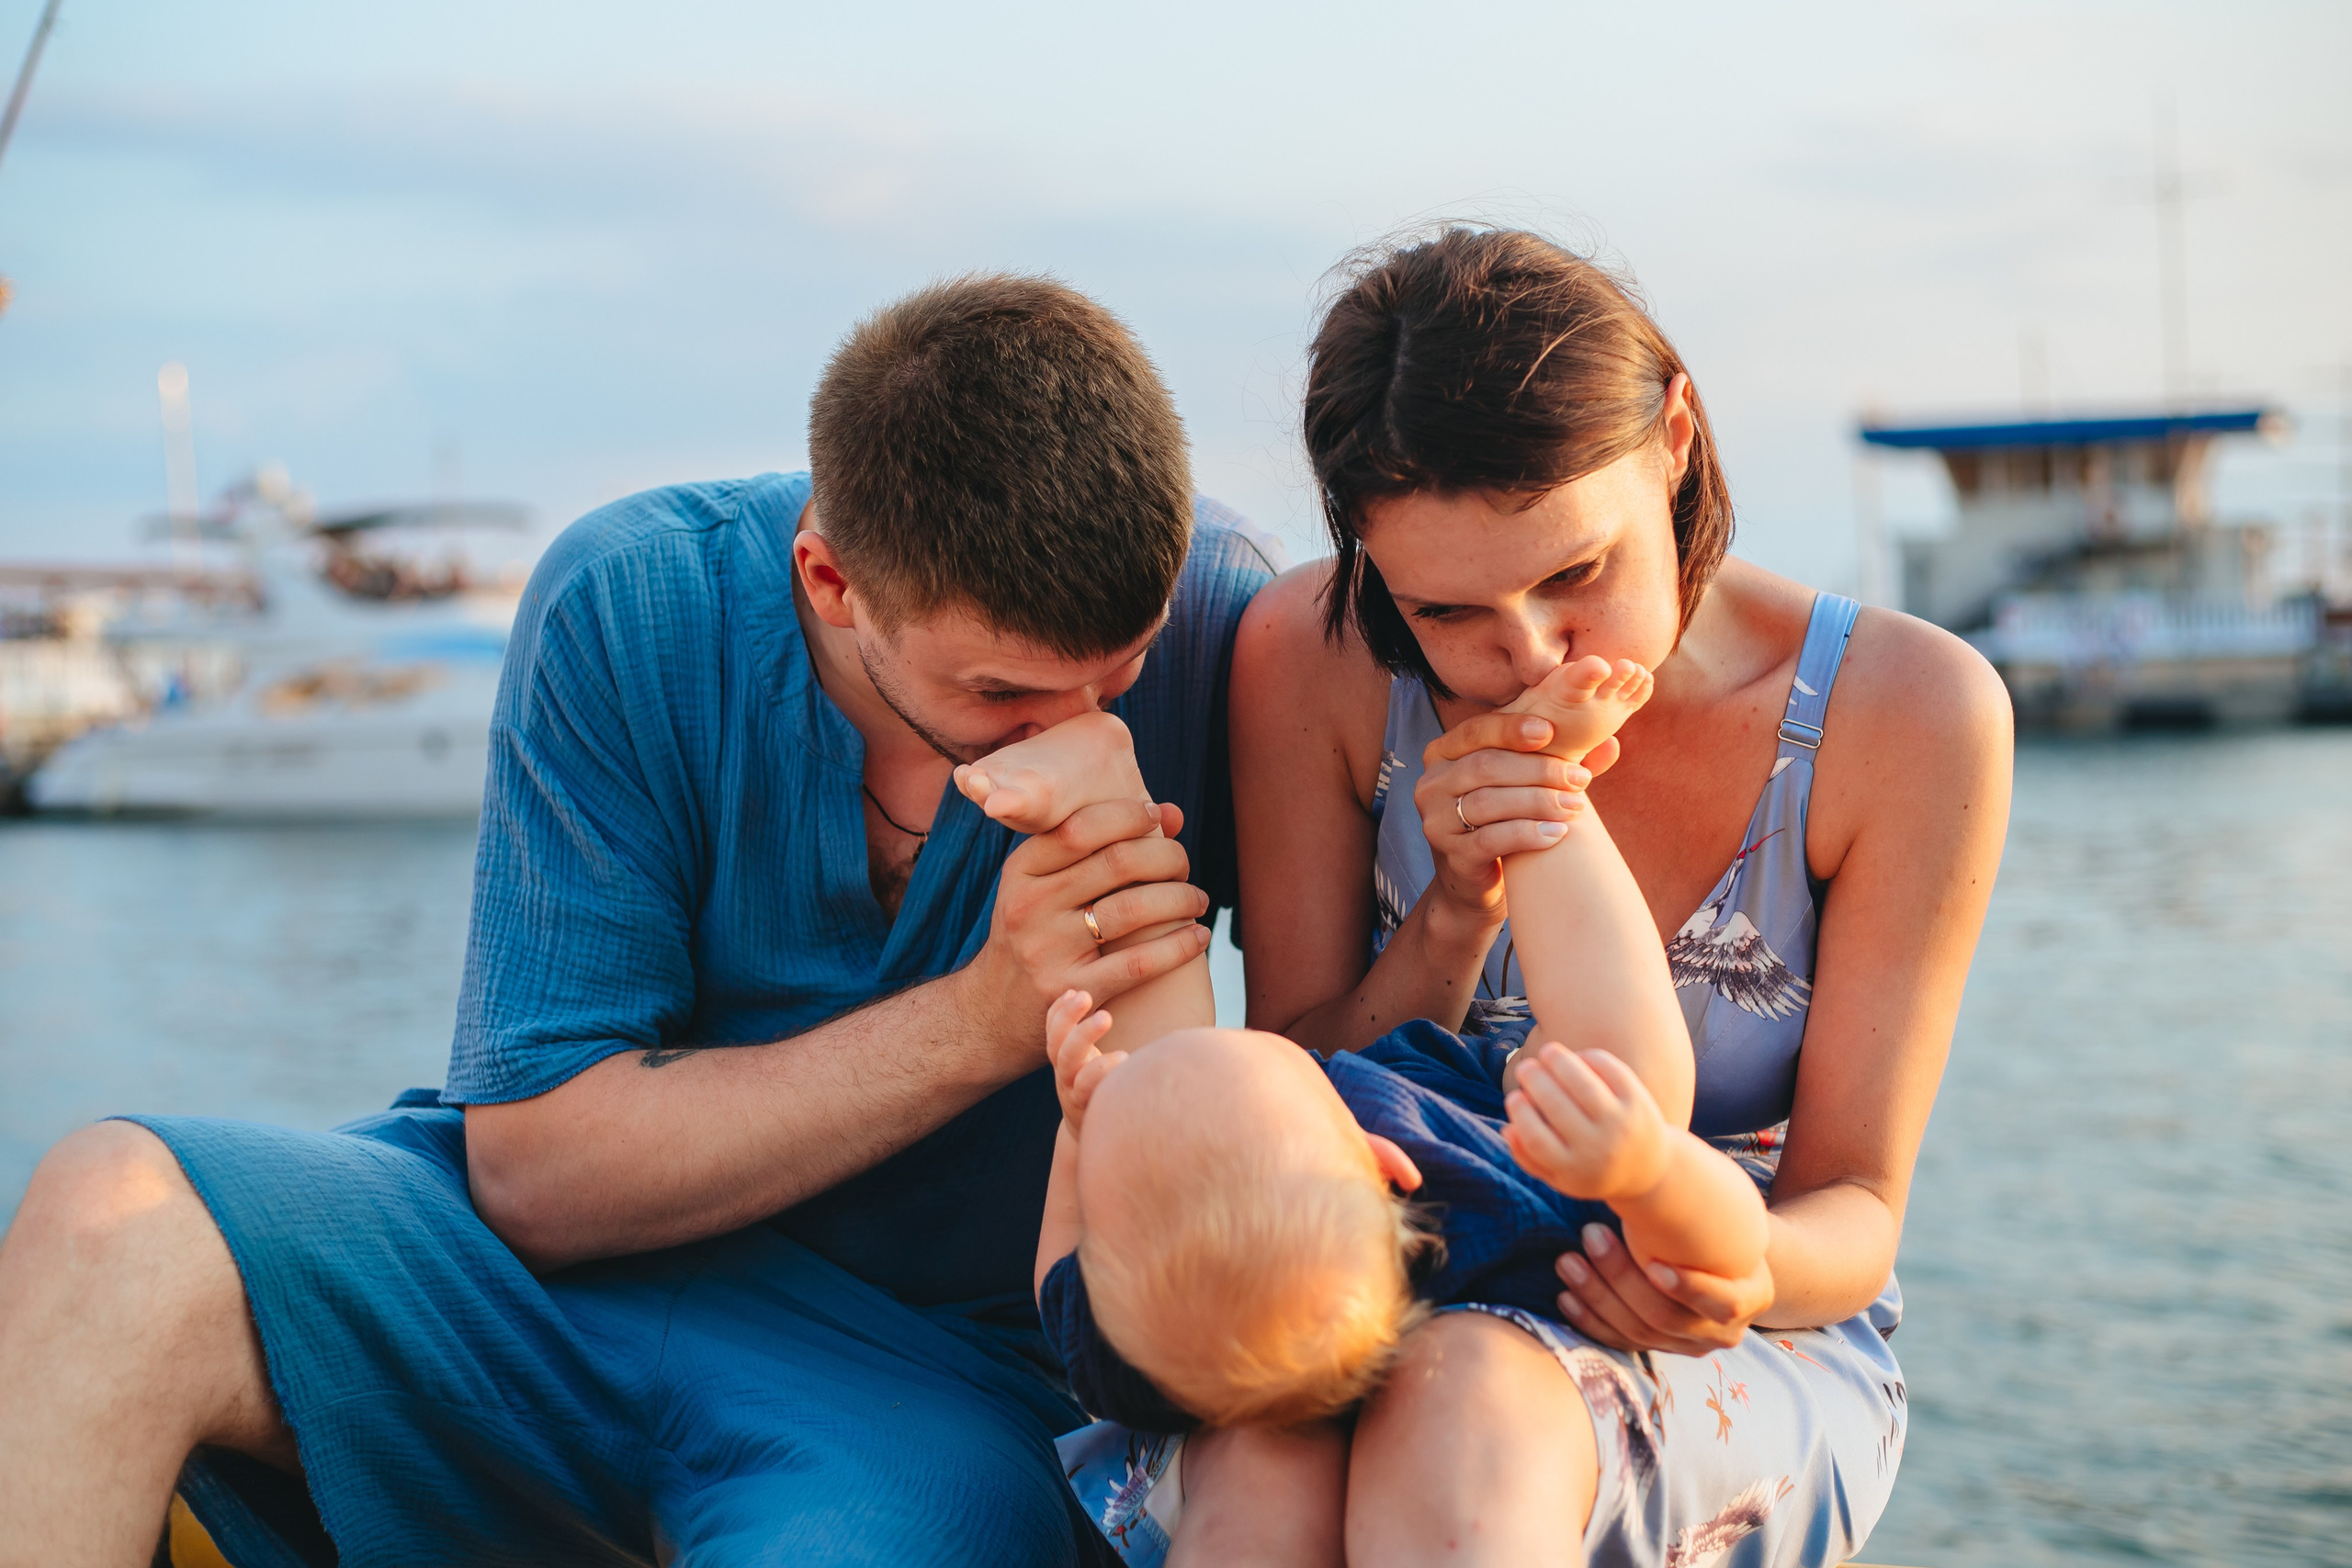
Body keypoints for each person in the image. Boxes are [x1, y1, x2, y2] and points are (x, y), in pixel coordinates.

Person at [0, 275, 1277, 1566]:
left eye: (1119, 670)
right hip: (541, 1294)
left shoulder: (1227, 610)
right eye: (1004, 689)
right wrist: (981, 1020)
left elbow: (1307, 1089)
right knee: (111, 1216)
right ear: (833, 581)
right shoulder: (630, 600)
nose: (1078, 727)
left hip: (932, 1388)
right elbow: (538, 1172)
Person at [1219, 227, 2014, 1567]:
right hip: (1377, 1264)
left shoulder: (1906, 714)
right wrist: (1457, 907)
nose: (1522, 651)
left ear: (1676, 436)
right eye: (1446, 608)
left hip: (1736, 1317)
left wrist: (1726, 1264)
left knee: (1462, 1412)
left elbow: (1856, 1213)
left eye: (1574, 573)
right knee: (1271, 1460)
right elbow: (1295, 1077)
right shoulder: (1315, 658)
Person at [956, 655, 1770, 1566]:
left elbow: (1059, 1277)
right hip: (1497, 1168)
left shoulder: (1141, 1347)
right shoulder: (1496, 1206)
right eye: (1294, 1067)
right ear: (1383, 1159)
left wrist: (1081, 1134)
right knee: (1630, 1077)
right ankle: (1541, 794)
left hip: (1269, 1239)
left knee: (1140, 1076)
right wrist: (1649, 1170)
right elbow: (1733, 1248)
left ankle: (1102, 808)